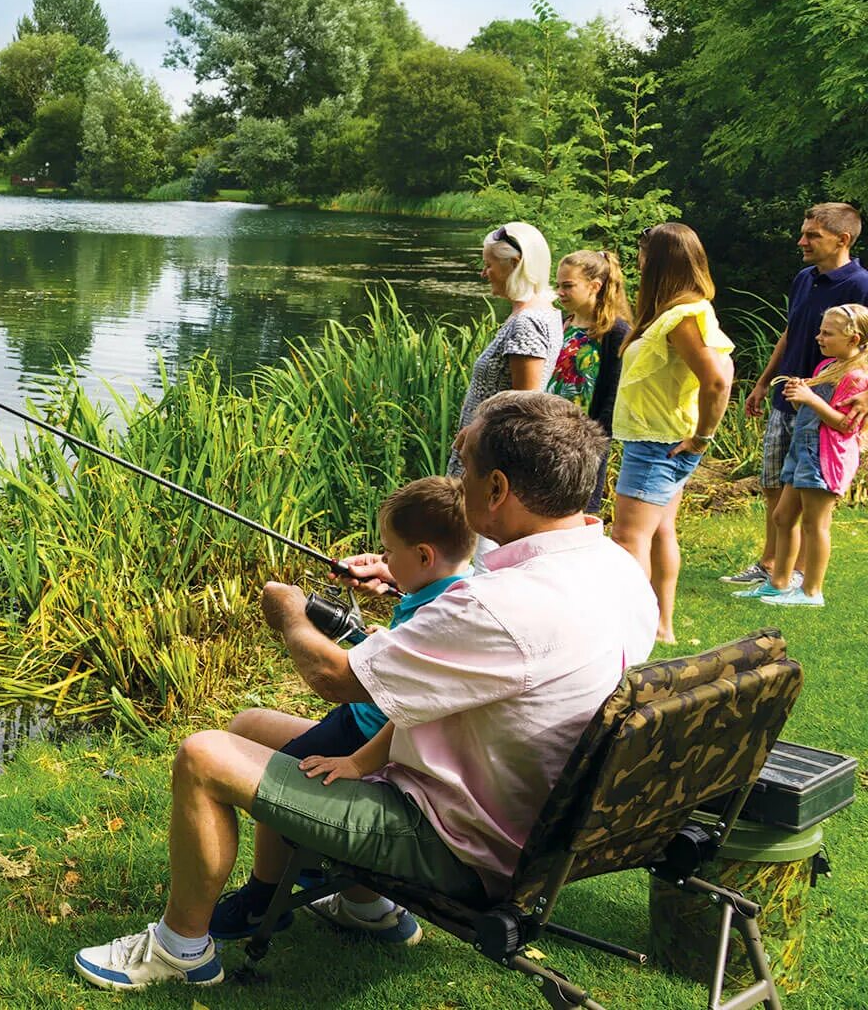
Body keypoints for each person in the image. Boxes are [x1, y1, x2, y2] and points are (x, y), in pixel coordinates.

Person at [71, 393, 656, 992]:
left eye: (466, 466)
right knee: (247, 726)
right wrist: (412, 585)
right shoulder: (615, 571)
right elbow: (491, 644)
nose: (459, 478)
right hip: (529, 816)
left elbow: (336, 678)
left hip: (458, 842)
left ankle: (179, 951)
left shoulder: (497, 608)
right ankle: (367, 908)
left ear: (498, 488)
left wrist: (293, 615)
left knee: (203, 755)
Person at [213, 475, 473, 945]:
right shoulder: (461, 592)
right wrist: (392, 582)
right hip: (372, 722)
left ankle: (263, 898)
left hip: (369, 733)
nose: (384, 559)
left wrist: (357, 762)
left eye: (390, 551)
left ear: (424, 556)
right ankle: (356, 898)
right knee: (251, 730)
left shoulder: (434, 616)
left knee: (277, 781)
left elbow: (409, 709)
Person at [724, 203, 868, 588]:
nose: (801, 240)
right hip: (788, 397)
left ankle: (801, 572)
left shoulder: (861, 285)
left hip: (826, 407)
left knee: (809, 491)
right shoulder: (804, 277)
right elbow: (790, 333)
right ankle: (770, 563)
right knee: (775, 484)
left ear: (843, 239)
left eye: (812, 236)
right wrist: (762, 382)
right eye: (804, 232)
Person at [608, 222, 734, 644]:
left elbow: (718, 380)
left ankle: (630, 630)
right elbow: (726, 368)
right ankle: (660, 626)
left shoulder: (684, 315)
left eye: (643, 254)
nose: (638, 262)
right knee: (661, 531)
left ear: (659, 261)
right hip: (665, 438)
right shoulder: (688, 310)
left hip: (657, 442)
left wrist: (703, 437)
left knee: (628, 537)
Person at [735, 304, 868, 607]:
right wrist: (798, 397)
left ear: (853, 339)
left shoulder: (857, 378)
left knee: (814, 524)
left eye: (827, 333)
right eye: (820, 331)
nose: (819, 337)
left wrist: (809, 397)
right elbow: (808, 412)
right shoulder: (825, 367)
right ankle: (777, 584)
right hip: (802, 451)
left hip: (824, 456)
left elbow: (846, 425)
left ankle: (811, 591)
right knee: (783, 517)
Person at [448, 223, 562, 479]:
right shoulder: (543, 312)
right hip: (484, 449)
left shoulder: (528, 322)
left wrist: (476, 431)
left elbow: (525, 403)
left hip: (491, 457)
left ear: (515, 264)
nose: (483, 273)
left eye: (489, 265)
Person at [547, 250, 633, 513]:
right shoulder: (561, 324)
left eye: (568, 286)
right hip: (549, 430)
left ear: (594, 286)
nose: (560, 292)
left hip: (586, 438)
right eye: (558, 285)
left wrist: (597, 441)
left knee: (578, 509)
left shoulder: (614, 331)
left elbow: (613, 394)